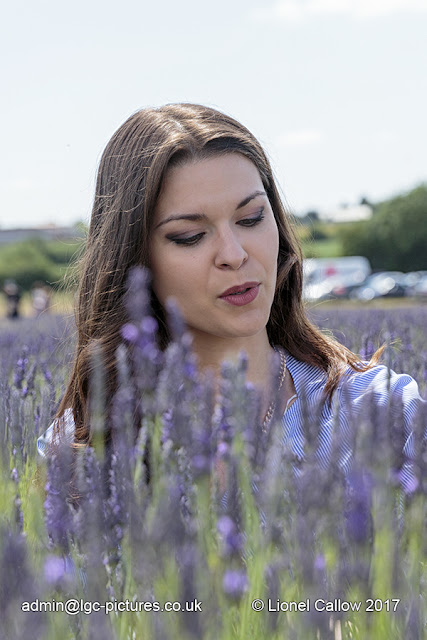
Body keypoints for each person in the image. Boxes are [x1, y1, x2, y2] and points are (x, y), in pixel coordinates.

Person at [36, 103, 425, 483]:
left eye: (251, 218)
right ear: (134, 258)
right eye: (190, 236)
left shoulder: (383, 411)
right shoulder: (79, 451)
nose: (235, 255)